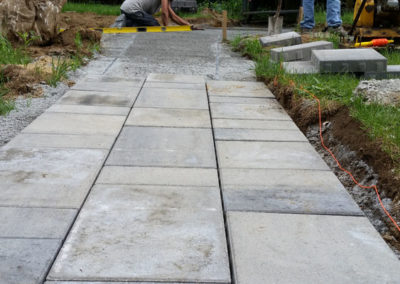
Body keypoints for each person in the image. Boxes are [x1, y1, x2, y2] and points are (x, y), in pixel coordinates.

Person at [120, 0, 190, 27]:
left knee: (145, 24)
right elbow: (164, 12)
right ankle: (128, 23)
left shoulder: (166, 2)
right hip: (133, 9)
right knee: (154, 25)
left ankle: (129, 23)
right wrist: (165, 29)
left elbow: (172, 16)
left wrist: (188, 25)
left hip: (125, 8)